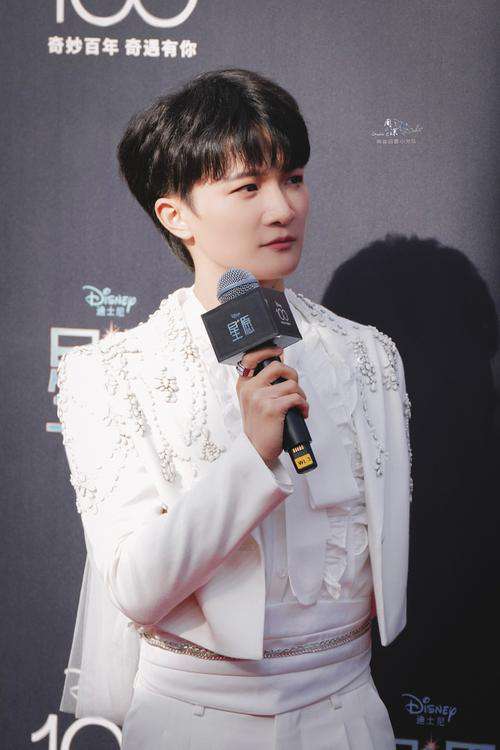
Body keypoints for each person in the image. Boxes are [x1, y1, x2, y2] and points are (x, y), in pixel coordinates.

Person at [57, 68, 412, 749]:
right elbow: (136, 587)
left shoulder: (368, 356)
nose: (282, 208)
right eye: (248, 187)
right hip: (193, 724)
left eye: (293, 179)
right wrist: (250, 457)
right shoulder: (109, 374)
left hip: (348, 716)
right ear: (176, 215)